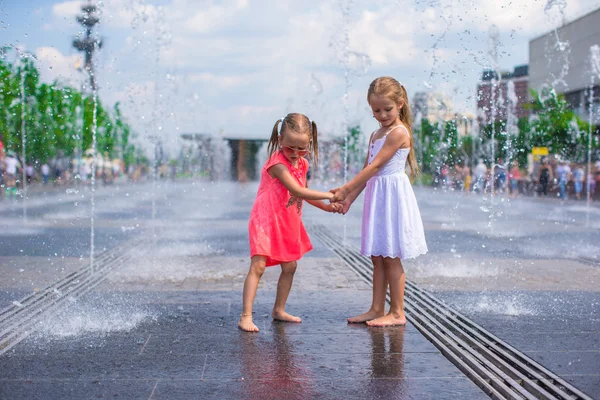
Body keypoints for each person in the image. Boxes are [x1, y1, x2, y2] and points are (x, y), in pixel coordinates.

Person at [330, 77, 428, 327]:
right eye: (376, 110)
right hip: (378, 194)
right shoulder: (375, 134)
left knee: (391, 255)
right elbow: (367, 169)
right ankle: (376, 308)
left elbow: (376, 166)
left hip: (393, 196)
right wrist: (350, 199)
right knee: (377, 255)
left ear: (401, 104)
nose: (382, 114)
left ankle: (397, 312)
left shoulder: (399, 132)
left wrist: (345, 187)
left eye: (388, 109)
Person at [238, 113, 342, 333]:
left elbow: (302, 195)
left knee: (290, 266)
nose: (295, 154)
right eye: (290, 148)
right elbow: (295, 189)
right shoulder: (276, 163)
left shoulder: (302, 164)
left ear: (310, 143)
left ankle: (279, 309)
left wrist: (327, 207)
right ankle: (245, 316)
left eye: (302, 149)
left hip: (287, 220)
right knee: (258, 266)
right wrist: (330, 195)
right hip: (266, 220)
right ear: (279, 139)